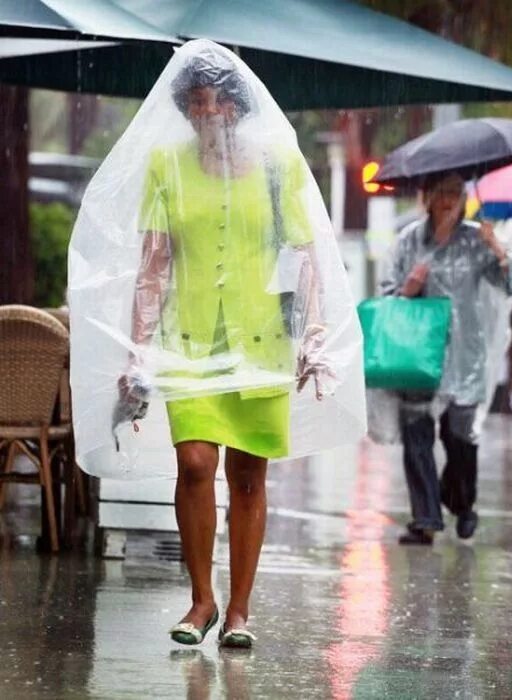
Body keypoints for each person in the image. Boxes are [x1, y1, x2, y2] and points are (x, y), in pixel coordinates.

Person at [68, 40, 366, 647]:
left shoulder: (278, 162)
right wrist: (138, 350)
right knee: (196, 463)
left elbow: (309, 255)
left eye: (219, 102)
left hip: (260, 344)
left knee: (249, 476)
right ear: (186, 109)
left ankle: (240, 611)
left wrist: (314, 332)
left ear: (237, 106)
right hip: (190, 342)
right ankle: (200, 599)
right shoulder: (166, 165)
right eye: (197, 103)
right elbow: (154, 264)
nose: (209, 114)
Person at [380, 172, 512, 545]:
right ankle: (426, 519)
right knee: (416, 437)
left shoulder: (477, 239)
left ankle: (461, 502)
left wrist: (497, 247)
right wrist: (407, 290)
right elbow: (386, 298)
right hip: (417, 357)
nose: (449, 201)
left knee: (460, 438)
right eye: (441, 193)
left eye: (455, 193)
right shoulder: (408, 242)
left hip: (465, 357)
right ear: (426, 197)